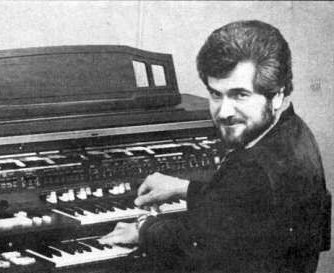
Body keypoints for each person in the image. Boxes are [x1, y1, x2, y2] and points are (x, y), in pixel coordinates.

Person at [99, 20, 328, 273]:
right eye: (216, 94)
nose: (224, 112)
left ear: (277, 95)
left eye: (240, 94)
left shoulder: (254, 167)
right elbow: (239, 207)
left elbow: (198, 244)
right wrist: (183, 188)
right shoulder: (293, 131)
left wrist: (144, 228)